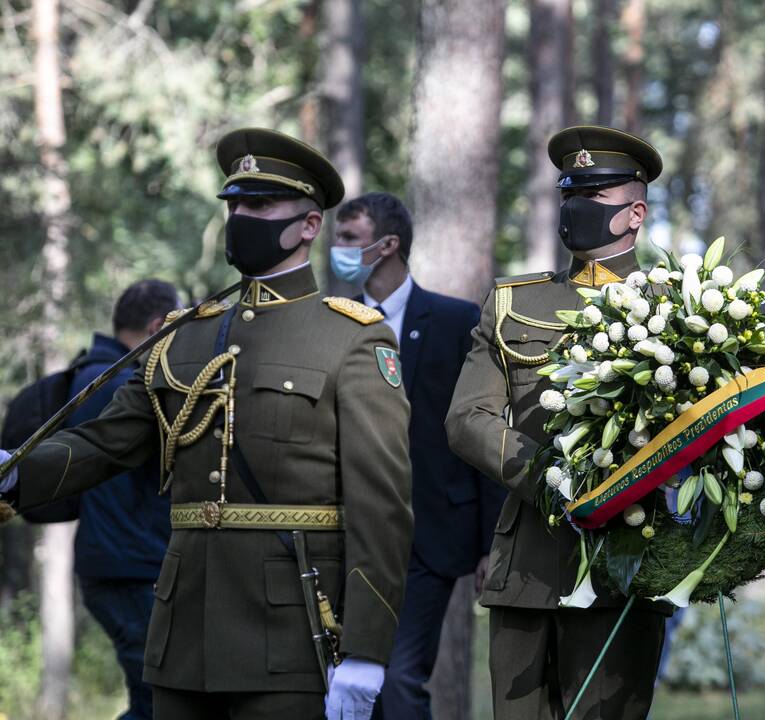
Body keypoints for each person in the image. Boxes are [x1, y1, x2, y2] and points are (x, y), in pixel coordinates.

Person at [0, 128, 413, 720]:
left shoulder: (351, 337)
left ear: (309, 226)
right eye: (236, 205)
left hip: (291, 633)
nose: (242, 217)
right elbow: (104, 442)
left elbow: (383, 507)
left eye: (262, 205)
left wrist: (367, 651)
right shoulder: (185, 334)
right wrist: (14, 474)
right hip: (183, 634)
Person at [446, 125, 669, 719]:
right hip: (528, 566)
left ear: (635, 213)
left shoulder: (680, 309)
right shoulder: (515, 302)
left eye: (594, 196)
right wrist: (552, 477)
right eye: (569, 193)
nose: (576, 208)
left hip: (625, 564)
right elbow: (468, 418)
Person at [329, 191, 504, 720]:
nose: (336, 250)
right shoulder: (335, 324)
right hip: (346, 536)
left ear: (388, 245)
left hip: (428, 536)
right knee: (346, 683)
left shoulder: (454, 322)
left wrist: (491, 544)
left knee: (401, 680)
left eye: (348, 239)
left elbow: (483, 432)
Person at [70, 279, 180, 720]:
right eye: (178, 323)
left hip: (120, 563)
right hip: (129, 567)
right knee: (160, 699)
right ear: (158, 325)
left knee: (152, 697)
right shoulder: (118, 385)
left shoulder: (93, 374)